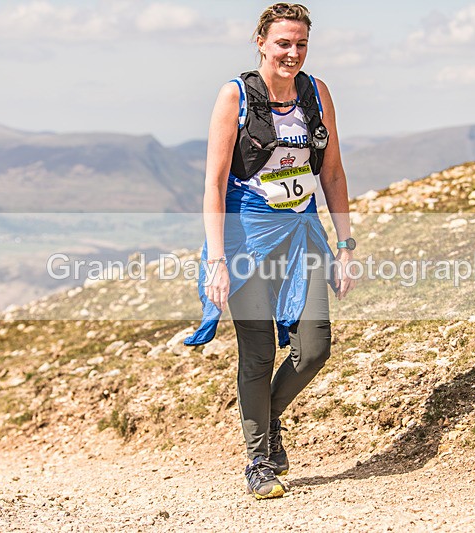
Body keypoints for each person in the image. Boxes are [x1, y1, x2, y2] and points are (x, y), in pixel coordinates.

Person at [184, 2, 356, 500]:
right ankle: (258, 459)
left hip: (302, 236)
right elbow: (214, 185)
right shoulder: (234, 96)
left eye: (301, 43)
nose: (293, 53)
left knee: (315, 346)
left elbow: (334, 174)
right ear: (261, 42)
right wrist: (216, 261)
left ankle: (268, 415)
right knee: (257, 353)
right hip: (245, 241)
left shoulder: (316, 93)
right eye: (283, 43)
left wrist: (345, 246)